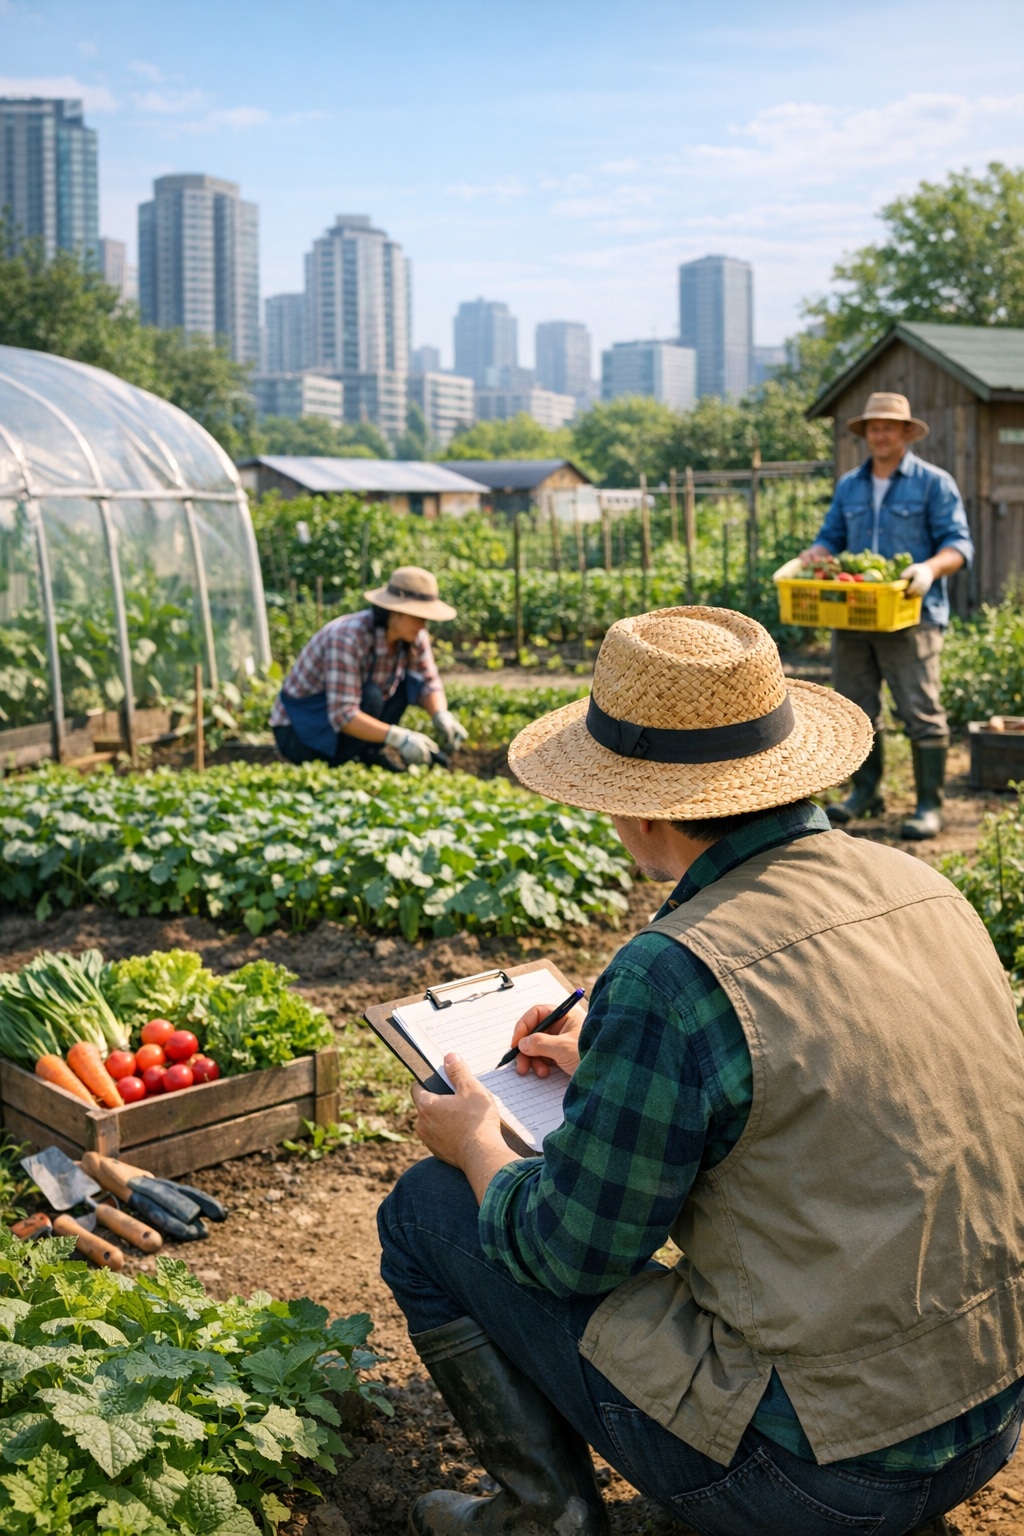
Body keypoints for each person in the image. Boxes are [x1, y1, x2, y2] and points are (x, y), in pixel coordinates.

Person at [377, 606, 1024, 1536]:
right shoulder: (924, 887)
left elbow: (570, 1253)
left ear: (637, 809)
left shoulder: (674, 971)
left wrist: (478, 1142)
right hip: (985, 1416)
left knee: (428, 1210)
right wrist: (617, 1047)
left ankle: (541, 1516)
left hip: (823, 1478)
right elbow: (830, 1071)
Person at [802, 391, 973, 840]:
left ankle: (930, 805)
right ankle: (865, 793)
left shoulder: (933, 483)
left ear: (905, 433)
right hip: (855, 618)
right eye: (873, 427)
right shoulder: (850, 486)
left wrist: (929, 569)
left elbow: (959, 544)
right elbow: (830, 537)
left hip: (911, 615)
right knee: (857, 707)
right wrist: (812, 557)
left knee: (921, 710)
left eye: (888, 427)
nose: (880, 434)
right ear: (866, 434)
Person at [269, 565, 467, 770]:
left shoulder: (415, 636)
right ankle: (340, 763)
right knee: (372, 695)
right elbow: (343, 714)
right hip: (299, 731)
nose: (423, 625)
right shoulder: (347, 637)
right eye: (418, 617)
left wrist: (441, 715)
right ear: (396, 611)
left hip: (335, 722)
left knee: (407, 684)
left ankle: (367, 753)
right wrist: (400, 738)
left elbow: (428, 681)